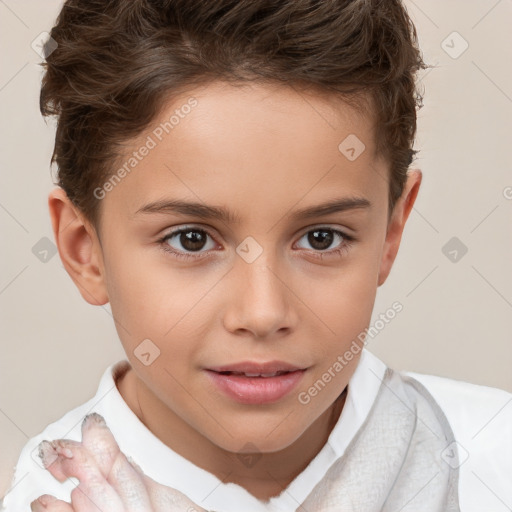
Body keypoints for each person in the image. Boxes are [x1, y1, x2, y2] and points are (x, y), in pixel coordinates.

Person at [2, 0, 511, 510]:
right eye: (191, 239)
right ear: (84, 251)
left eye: (321, 238)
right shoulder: (43, 495)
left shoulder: (493, 457)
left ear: (391, 233)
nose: (263, 313)